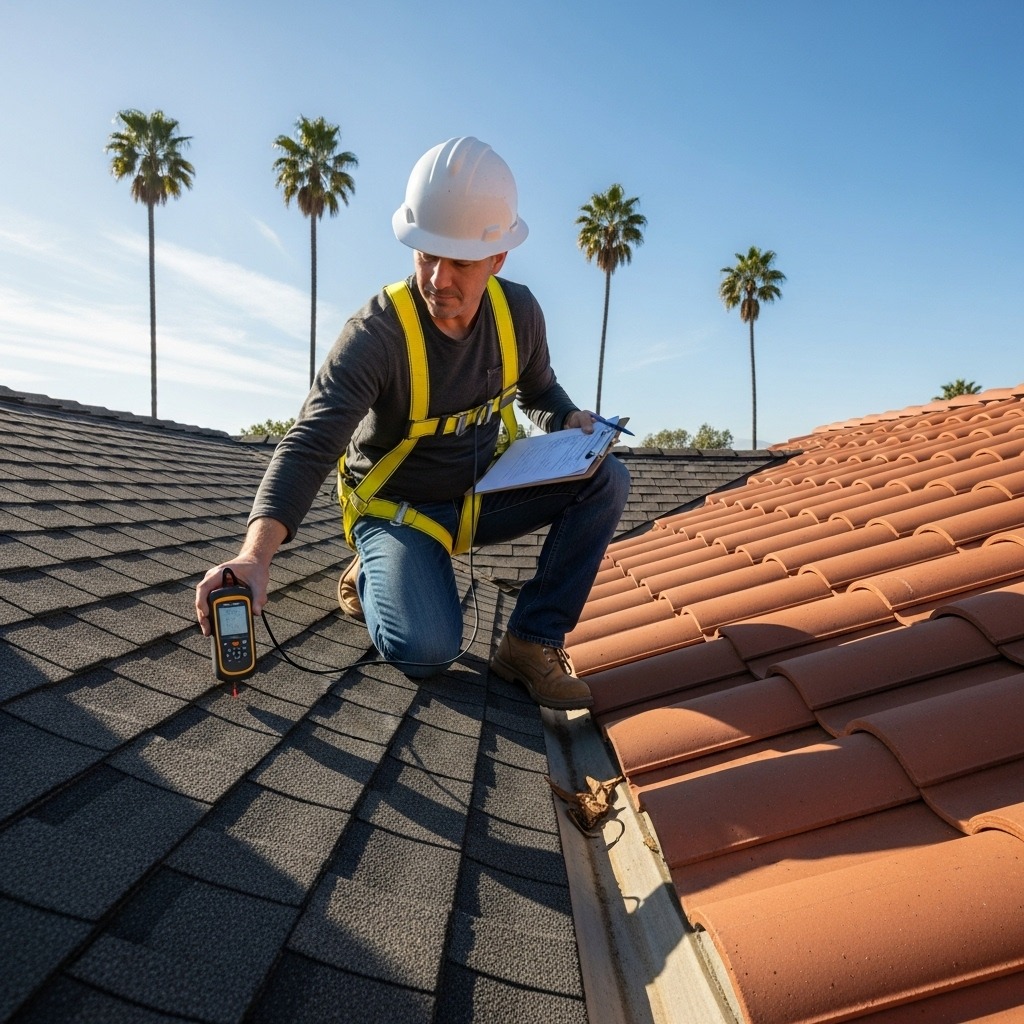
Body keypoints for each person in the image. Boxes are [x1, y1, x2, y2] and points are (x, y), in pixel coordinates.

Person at [195, 136, 630, 710]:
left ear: (498, 259)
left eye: (461, 263)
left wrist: (568, 416)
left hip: (480, 496)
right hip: (399, 508)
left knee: (608, 476)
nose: (438, 279)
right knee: (425, 653)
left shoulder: (519, 313)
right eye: (426, 254)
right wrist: (255, 555)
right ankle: (375, 568)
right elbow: (311, 442)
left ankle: (530, 643)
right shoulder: (377, 335)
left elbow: (540, 389)